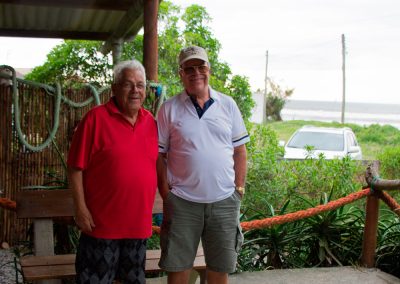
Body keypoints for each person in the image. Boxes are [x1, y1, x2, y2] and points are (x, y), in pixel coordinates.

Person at [156, 46, 250, 284]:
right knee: (178, 270)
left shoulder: (228, 105)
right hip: (183, 203)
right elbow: (159, 155)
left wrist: (239, 189)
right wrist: (167, 195)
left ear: (209, 69)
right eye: (189, 68)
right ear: (181, 73)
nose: (196, 72)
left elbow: (240, 150)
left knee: (219, 269)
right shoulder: (169, 108)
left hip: (224, 202)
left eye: (201, 67)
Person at [67, 60, 158, 284]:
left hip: (137, 227)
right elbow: (74, 168)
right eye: (128, 84)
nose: (135, 90)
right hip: (101, 227)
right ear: (115, 88)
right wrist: (80, 209)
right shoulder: (94, 119)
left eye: (140, 85)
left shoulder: (151, 123)